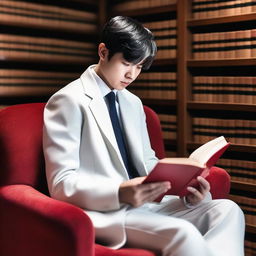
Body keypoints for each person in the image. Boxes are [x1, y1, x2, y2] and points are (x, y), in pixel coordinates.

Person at [43, 16, 245, 256]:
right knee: (184, 232)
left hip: (150, 205)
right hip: (109, 211)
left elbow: (147, 162)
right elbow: (60, 183)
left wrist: (188, 189)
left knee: (228, 210)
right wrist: (120, 191)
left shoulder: (132, 102)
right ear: (103, 51)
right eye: (127, 62)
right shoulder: (68, 100)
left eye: (139, 66)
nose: (132, 75)